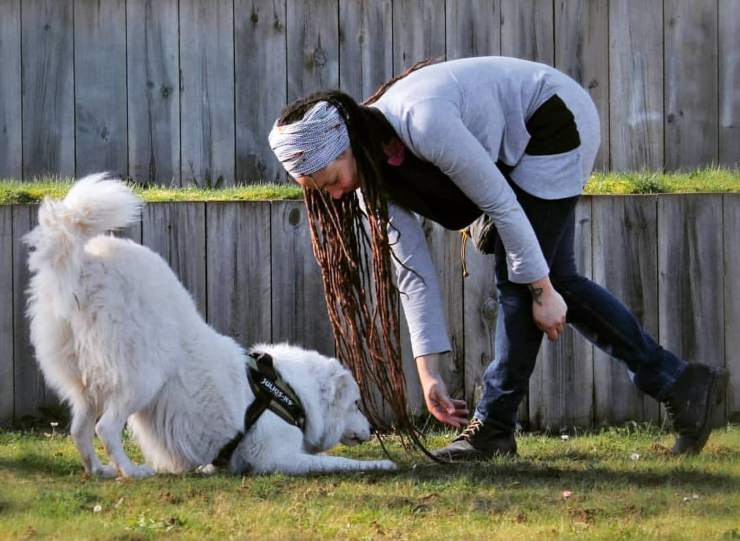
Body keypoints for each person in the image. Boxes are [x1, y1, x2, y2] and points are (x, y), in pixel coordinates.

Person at [267, 56, 728, 461]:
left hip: (552, 120)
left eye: (327, 180)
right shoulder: (370, 183)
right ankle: (682, 385)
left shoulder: (424, 122)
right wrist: (429, 374)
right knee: (548, 275)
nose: (332, 195)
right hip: (518, 149)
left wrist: (542, 291)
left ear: (342, 146)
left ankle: (494, 426)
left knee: (523, 278)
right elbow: (413, 274)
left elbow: (503, 206)